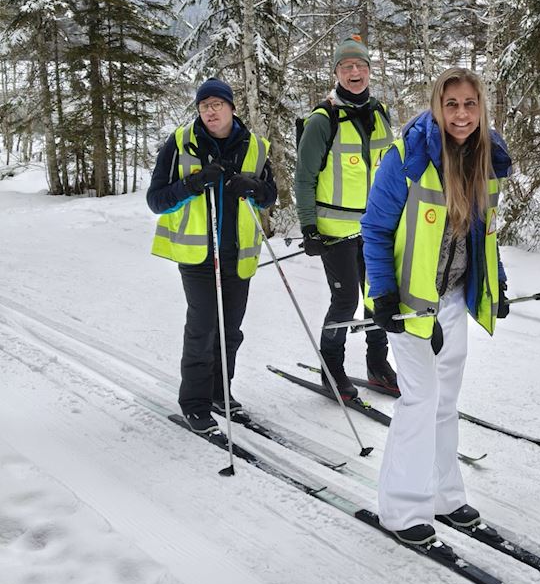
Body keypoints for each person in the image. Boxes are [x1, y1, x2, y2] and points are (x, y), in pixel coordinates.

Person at [361, 67, 512, 546]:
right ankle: (402, 509)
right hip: (408, 301)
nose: (461, 114)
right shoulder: (407, 156)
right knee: (421, 399)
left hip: (452, 298)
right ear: (436, 107)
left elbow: (484, 234)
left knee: (445, 401)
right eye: (451, 104)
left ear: (481, 107)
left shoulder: (487, 157)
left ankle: (446, 495)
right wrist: (382, 293)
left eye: (470, 104)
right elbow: (375, 228)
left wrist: (496, 282)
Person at [147, 78, 278, 434]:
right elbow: (156, 200)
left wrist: (253, 187)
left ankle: (220, 393)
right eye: (204, 105)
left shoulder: (254, 147)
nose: (210, 111)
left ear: (232, 108)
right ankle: (194, 403)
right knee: (203, 330)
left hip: (238, 256)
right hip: (198, 257)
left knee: (230, 332)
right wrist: (191, 185)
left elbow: (270, 195)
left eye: (217, 104)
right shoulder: (180, 143)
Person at [295, 36, 397, 400]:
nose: (355, 72)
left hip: (376, 228)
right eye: (346, 66)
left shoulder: (380, 113)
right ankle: (331, 367)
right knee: (345, 301)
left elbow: (392, 171)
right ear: (337, 72)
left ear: (369, 70)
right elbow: (304, 178)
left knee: (378, 296)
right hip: (334, 231)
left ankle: (377, 363)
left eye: (360, 66)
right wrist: (309, 227)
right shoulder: (323, 120)